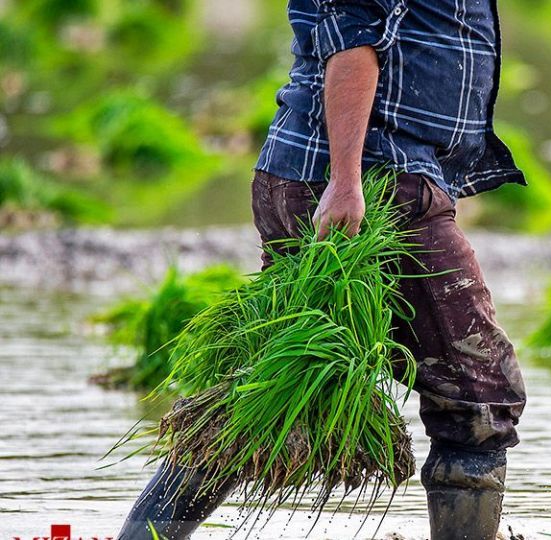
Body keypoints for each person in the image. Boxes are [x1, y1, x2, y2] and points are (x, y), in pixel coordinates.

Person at [116, 1, 527, 539]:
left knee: (269, 386)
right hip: (376, 187)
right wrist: (346, 181)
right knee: (479, 398)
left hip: (330, 174)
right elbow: (351, 40)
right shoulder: (360, 183)